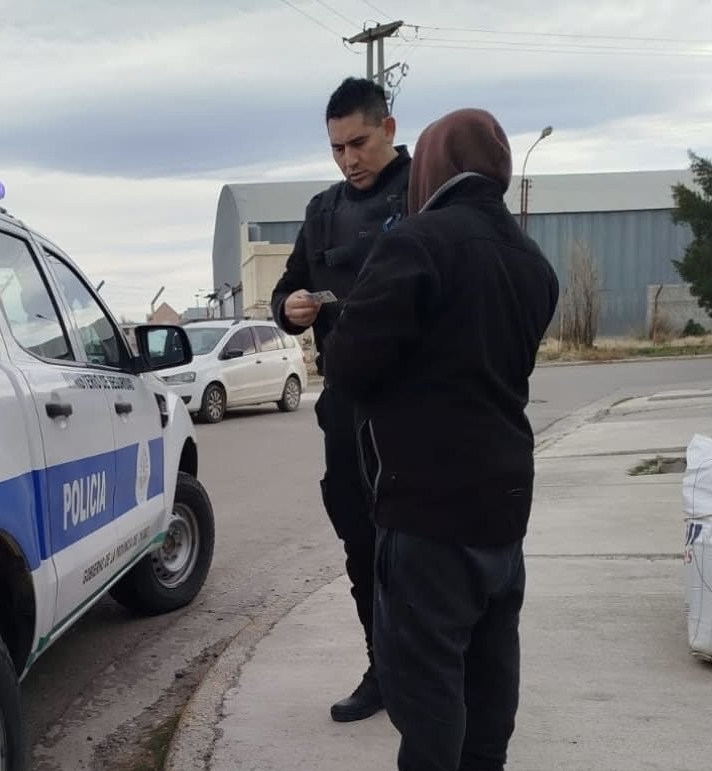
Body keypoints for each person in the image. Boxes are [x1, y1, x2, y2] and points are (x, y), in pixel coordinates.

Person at [322, 108, 559, 770]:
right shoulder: (533, 262)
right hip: (505, 505)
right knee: (490, 681)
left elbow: (349, 365)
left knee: (426, 694)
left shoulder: (416, 244)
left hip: (428, 512)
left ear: (433, 165)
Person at [269, 77, 411, 722]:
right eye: (336, 148)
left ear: (388, 128)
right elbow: (286, 290)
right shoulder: (322, 211)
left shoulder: (427, 193)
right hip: (346, 409)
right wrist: (290, 309)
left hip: (417, 407)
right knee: (361, 544)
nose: (349, 160)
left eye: (359, 143)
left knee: (423, 551)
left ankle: (438, 671)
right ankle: (384, 670)